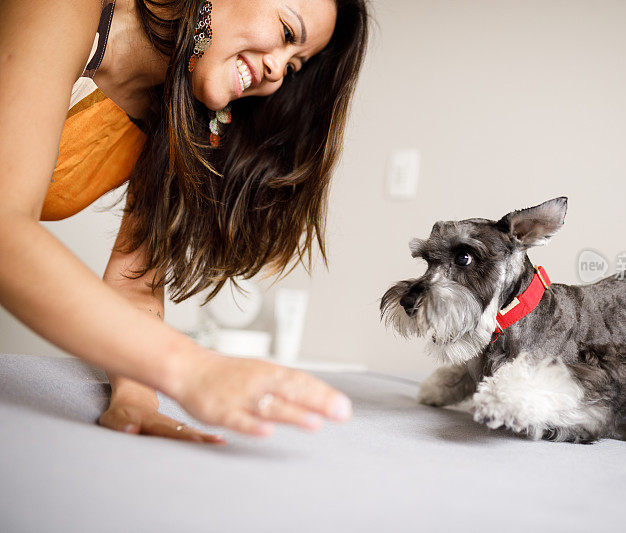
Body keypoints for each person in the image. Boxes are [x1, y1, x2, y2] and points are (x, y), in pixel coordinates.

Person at [0, 0, 369, 443]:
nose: (276, 73)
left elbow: (136, 286)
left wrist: (135, 401)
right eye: (287, 33)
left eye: (293, 67)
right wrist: (191, 370)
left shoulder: (166, 119)